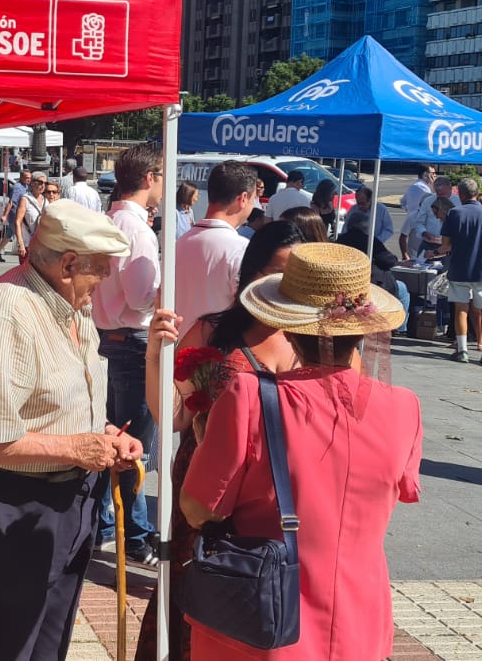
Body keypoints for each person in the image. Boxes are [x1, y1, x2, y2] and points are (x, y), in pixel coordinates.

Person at [180, 241, 421, 661]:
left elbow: (200, 509)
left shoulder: (249, 396)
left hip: (264, 615)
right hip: (359, 618)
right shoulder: (403, 407)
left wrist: (206, 443)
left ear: (288, 327)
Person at [0, 199, 144, 661]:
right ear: (69, 264)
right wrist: (77, 447)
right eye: (101, 271)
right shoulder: (7, 310)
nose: (107, 283)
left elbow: (60, 400)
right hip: (12, 506)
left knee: (46, 644)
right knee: (0, 646)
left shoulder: (70, 304)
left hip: (65, 502)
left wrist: (107, 433)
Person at [135, 221, 305, 661]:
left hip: (281, 489)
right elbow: (172, 416)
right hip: (209, 484)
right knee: (203, 585)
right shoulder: (215, 333)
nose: (280, 285)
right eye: (271, 271)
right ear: (249, 273)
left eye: (293, 276)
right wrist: (155, 357)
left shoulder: (316, 341)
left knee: (268, 590)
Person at [93, 143, 164, 567]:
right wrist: (166, 290)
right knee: (132, 447)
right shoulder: (136, 228)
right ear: (150, 177)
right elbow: (139, 298)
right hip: (132, 341)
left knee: (114, 439)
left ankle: (109, 526)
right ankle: (134, 535)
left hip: (108, 337)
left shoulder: (110, 219)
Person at [176, 161, 259, 325]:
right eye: (253, 198)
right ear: (243, 199)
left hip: (180, 345)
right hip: (219, 347)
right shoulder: (240, 249)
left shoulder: (180, 243)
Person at [439, 178, 482, 365]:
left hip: (459, 268)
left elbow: (445, 244)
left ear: (460, 194)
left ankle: (462, 350)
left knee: (461, 309)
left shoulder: (454, 213)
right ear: (477, 192)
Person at [402, 176, 453, 262]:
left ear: (450, 189)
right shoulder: (428, 201)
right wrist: (424, 232)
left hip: (448, 246)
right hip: (428, 244)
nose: (440, 197)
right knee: (422, 272)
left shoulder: (458, 202)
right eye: (438, 193)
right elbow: (418, 222)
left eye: (443, 194)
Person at [13, 173, 55, 262]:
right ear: (32, 183)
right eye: (40, 182)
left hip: (42, 245)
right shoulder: (25, 199)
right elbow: (17, 222)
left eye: (45, 183)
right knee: (26, 274)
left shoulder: (46, 201)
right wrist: (21, 244)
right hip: (27, 244)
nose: (43, 185)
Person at [0, 169, 32, 262]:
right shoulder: (17, 187)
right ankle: (24, 257)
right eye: (27, 178)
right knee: (21, 237)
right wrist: (4, 215)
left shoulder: (26, 186)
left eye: (30, 178)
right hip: (15, 216)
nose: (29, 180)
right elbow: (11, 202)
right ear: (21, 177)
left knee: (9, 235)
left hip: (20, 216)